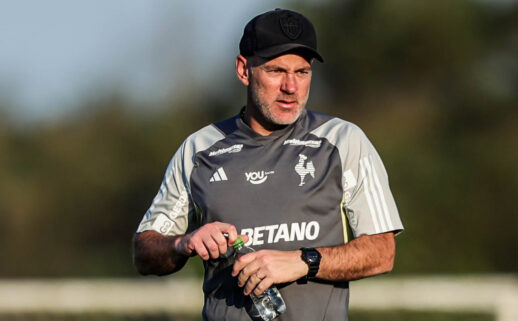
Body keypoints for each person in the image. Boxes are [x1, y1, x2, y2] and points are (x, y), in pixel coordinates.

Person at [133, 8, 403, 321]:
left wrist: (304, 261)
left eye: (302, 72)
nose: (291, 86)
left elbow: (382, 252)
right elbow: (144, 252)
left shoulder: (342, 140)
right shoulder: (199, 149)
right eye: (276, 71)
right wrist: (184, 243)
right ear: (244, 70)